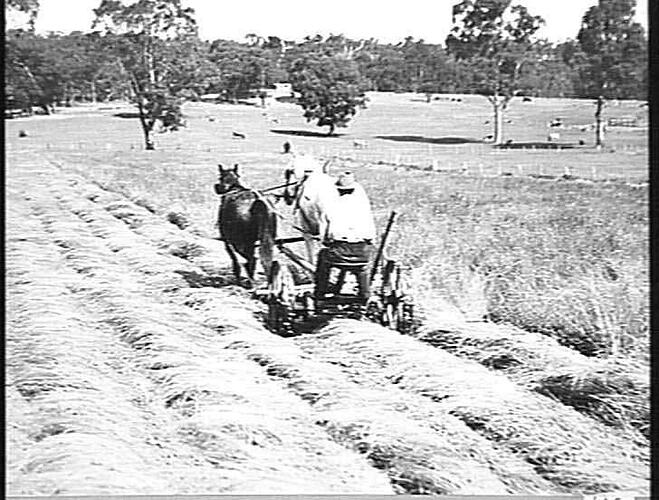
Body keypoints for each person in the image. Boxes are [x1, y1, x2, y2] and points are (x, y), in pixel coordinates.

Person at [315, 171, 376, 303]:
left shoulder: (330, 206)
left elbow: (324, 235)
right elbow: (372, 235)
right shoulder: (363, 206)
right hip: (362, 253)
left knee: (323, 257)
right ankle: (364, 294)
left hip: (340, 252)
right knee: (362, 266)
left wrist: (327, 241)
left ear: (338, 190)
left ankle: (320, 293)